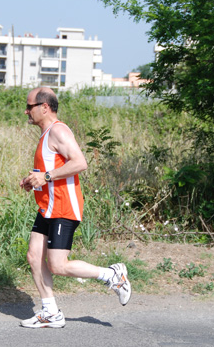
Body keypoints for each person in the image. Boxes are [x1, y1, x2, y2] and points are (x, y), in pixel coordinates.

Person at [19, 87, 131, 329]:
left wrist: (46, 177)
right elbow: (51, 170)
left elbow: (80, 162)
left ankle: (112, 276)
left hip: (63, 208)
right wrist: (34, 180)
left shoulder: (58, 130)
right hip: (48, 207)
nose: (26, 111)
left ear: (45, 107)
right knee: (34, 257)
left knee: (58, 265)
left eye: (30, 106)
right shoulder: (46, 133)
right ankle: (50, 312)